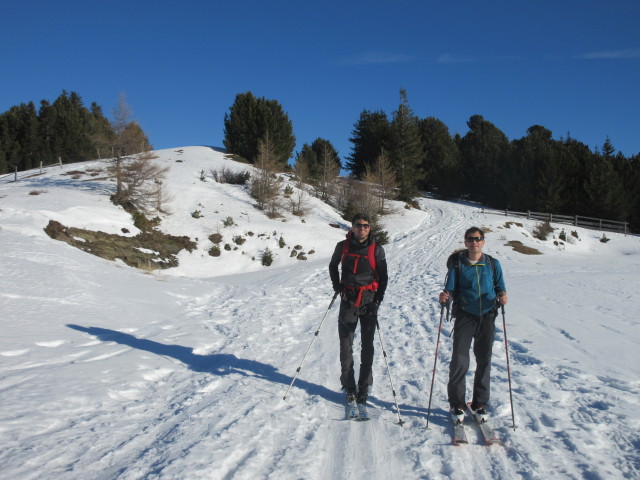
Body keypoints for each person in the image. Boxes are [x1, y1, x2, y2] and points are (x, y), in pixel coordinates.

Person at [439, 227, 507, 424]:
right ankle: (457, 403)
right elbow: (450, 288)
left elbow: (500, 286)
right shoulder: (458, 265)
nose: (474, 242)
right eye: (470, 239)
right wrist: (445, 296)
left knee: (484, 360)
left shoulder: (493, 264)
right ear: (466, 242)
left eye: (478, 239)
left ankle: (479, 403)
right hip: (465, 317)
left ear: (483, 241)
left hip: (487, 316)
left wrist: (502, 295)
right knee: (460, 361)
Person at [329, 213, 388, 406]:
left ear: (370, 228)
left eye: (365, 225)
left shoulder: (376, 250)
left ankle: (364, 386)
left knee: (367, 345)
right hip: (348, 299)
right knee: (346, 344)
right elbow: (332, 266)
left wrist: (378, 298)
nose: (362, 228)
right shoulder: (342, 246)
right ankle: (349, 386)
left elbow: (384, 276)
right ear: (352, 228)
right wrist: (337, 286)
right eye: (358, 225)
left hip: (368, 300)